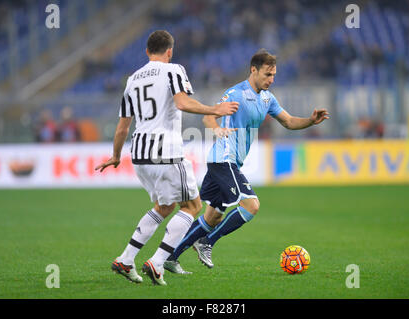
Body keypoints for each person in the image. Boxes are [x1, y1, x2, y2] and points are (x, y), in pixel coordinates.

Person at [164, 49, 329, 273]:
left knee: (212, 216)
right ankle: (207, 242)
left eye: (274, 75)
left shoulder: (267, 98)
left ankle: (169, 257)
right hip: (224, 159)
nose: (271, 80)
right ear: (253, 70)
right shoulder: (236, 93)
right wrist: (218, 129)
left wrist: (310, 121)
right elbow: (208, 117)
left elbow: (289, 121)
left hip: (230, 162)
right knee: (251, 205)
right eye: (267, 75)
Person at [94, 30, 238, 285]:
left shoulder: (132, 80)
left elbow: (122, 127)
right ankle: (158, 261)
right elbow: (182, 103)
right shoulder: (173, 70)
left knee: (164, 206)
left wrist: (116, 156)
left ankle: (126, 260)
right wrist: (215, 109)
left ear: (147, 51)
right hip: (166, 153)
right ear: (169, 51)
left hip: (139, 155)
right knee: (192, 206)